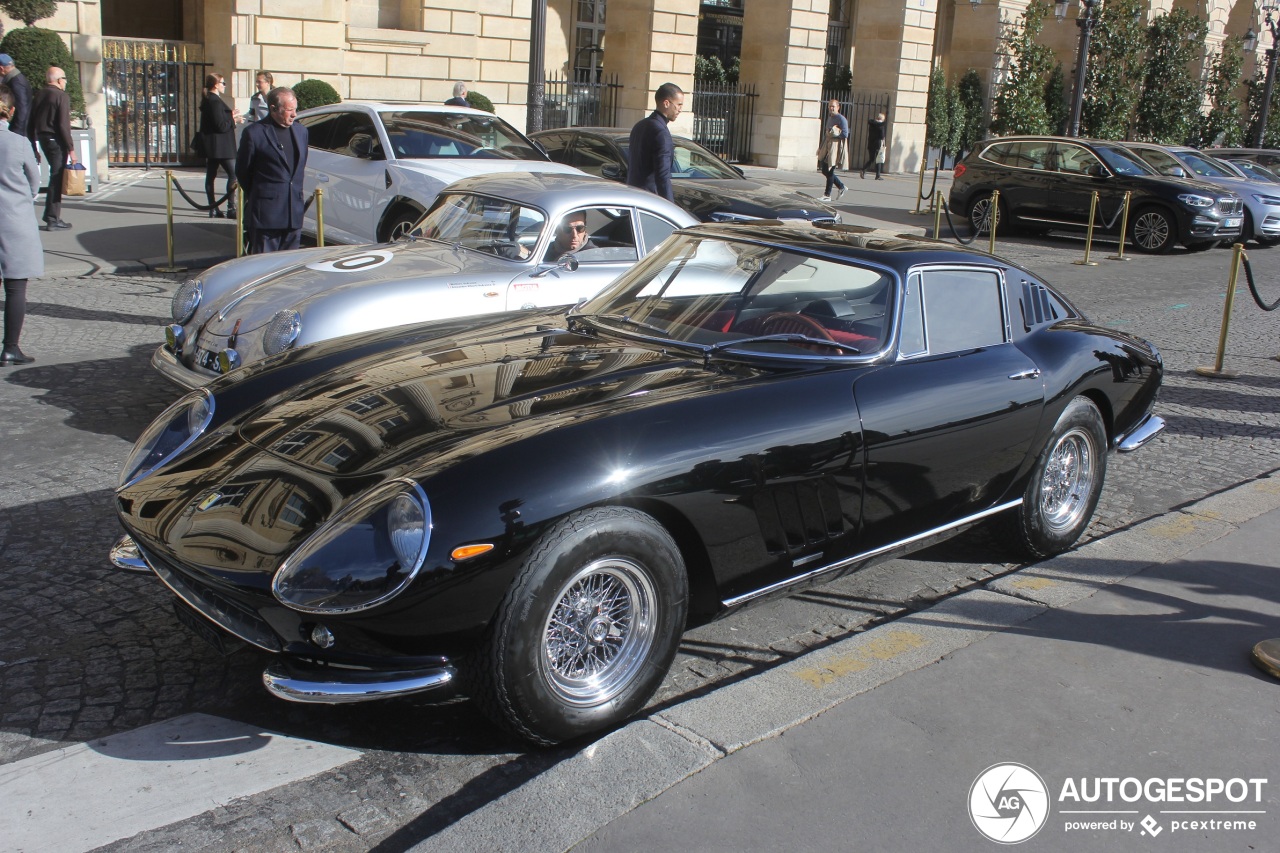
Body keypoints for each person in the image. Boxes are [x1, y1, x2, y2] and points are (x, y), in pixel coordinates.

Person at [236, 86, 309, 254]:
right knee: (264, 268)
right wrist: (264, 194)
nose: (294, 114)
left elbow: (298, 169)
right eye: (289, 110)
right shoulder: (254, 133)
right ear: (273, 109)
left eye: (295, 109)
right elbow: (243, 172)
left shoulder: (301, 132)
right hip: (266, 215)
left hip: (293, 213)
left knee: (289, 267)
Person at [0, 86, 43, 365]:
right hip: (13, 220)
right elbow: (35, 182)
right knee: (15, 289)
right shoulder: (18, 143)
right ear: (11, 111)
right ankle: (10, 347)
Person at [27, 66, 74, 231]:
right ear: (59, 80)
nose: (66, 82)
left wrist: (33, 146)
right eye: (65, 79)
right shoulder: (61, 95)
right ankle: (53, 218)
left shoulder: (39, 95)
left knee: (55, 176)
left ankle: (51, 216)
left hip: (43, 138)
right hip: (56, 140)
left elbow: (30, 123)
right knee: (57, 177)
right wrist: (71, 149)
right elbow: (63, 125)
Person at [627, 82, 683, 203]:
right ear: (666, 103)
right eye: (678, 105)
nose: (680, 109)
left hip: (633, 196)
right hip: (650, 201)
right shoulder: (661, 132)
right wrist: (670, 207)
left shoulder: (639, 126)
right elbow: (663, 176)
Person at [199, 73, 241, 218]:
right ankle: (231, 207)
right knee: (233, 174)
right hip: (222, 146)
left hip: (213, 146)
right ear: (216, 85)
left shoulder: (209, 100)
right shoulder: (214, 101)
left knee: (211, 175)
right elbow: (221, 126)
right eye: (223, 83)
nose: (224, 86)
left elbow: (217, 120)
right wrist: (233, 121)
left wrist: (230, 115)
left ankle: (213, 207)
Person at [817, 98, 848, 202]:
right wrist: (820, 147)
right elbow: (826, 134)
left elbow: (845, 133)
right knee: (824, 169)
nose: (831, 108)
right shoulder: (830, 118)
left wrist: (835, 133)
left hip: (835, 145)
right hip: (828, 144)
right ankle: (841, 186)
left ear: (838, 107)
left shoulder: (841, 119)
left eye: (833, 106)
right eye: (830, 106)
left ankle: (827, 195)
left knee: (830, 169)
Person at [0, 54, 30, 138]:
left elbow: (22, 109)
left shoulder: (16, 82)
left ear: (1, 69)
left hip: (18, 132)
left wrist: (16, 133)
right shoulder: (16, 79)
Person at [861, 111, 887, 180]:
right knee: (878, 159)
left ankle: (863, 169)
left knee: (871, 159)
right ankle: (878, 175)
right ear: (882, 119)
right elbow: (882, 136)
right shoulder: (881, 126)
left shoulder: (872, 124)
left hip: (871, 143)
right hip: (878, 144)